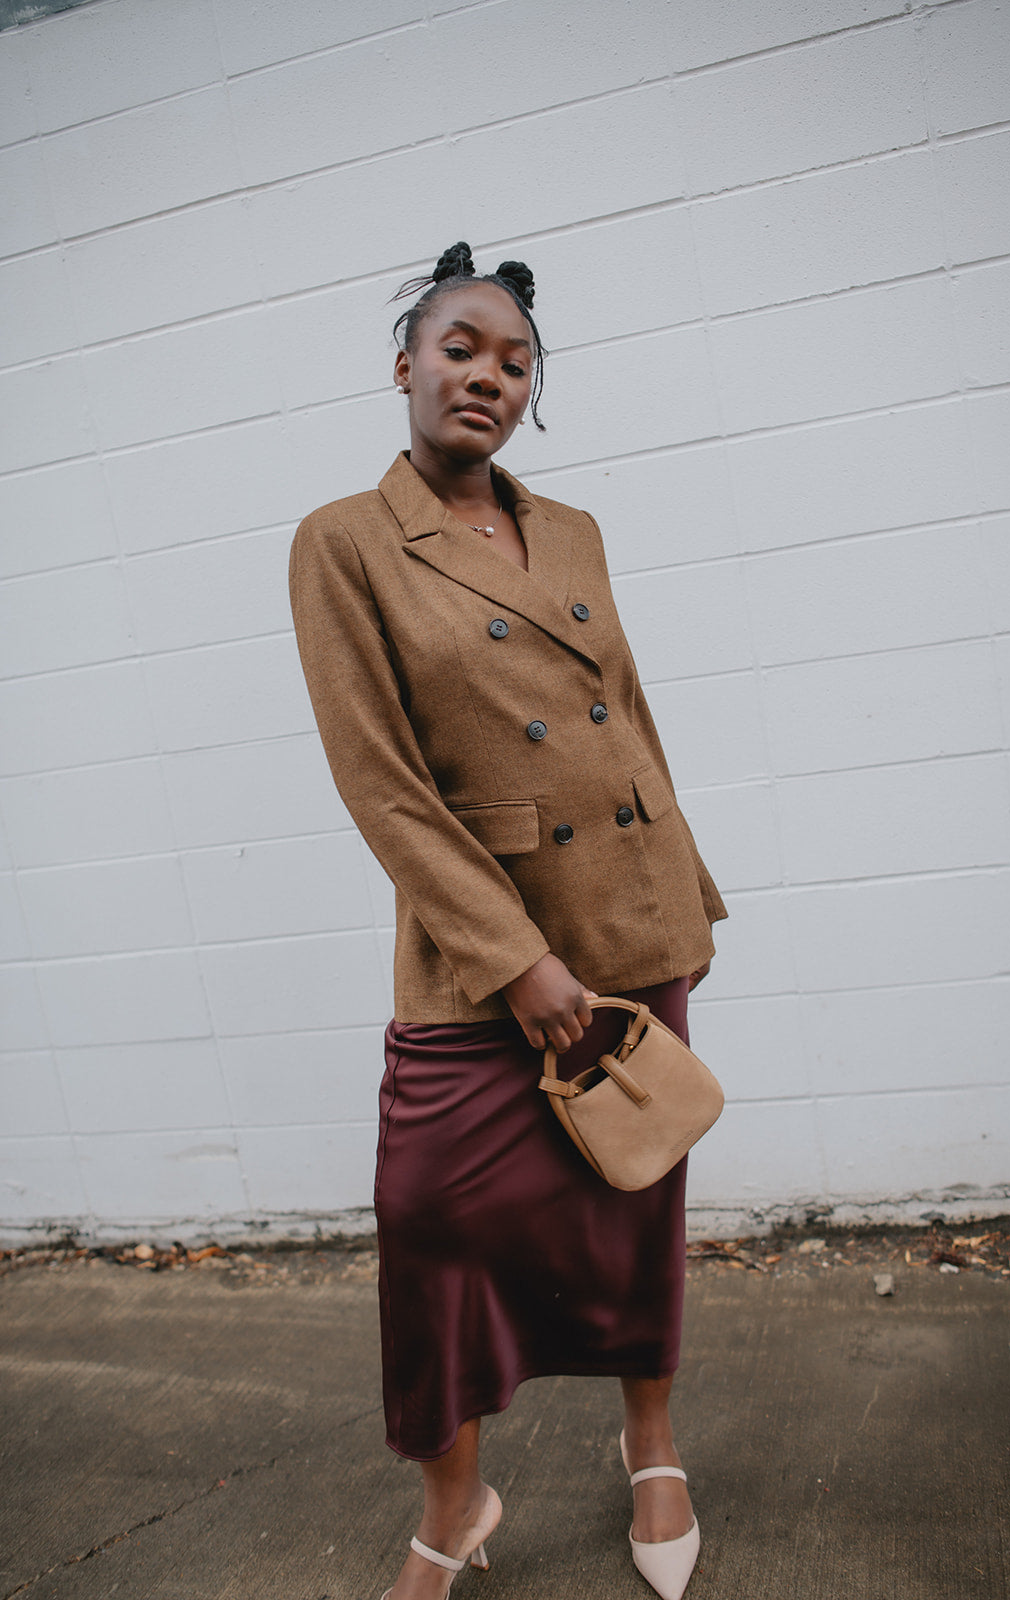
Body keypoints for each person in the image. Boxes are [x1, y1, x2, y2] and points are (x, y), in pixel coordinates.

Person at [289, 242, 727, 1600]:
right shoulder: (344, 542)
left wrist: (687, 896)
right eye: (461, 348)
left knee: (635, 1194)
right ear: (406, 366)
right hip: (485, 946)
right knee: (427, 1215)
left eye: (516, 360)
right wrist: (519, 962)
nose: (488, 375)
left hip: (632, 914)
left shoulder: (574, 530)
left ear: (534, 389)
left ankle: (650, 1443)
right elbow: (382, 783)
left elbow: (625, 718)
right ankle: (455, 1504)